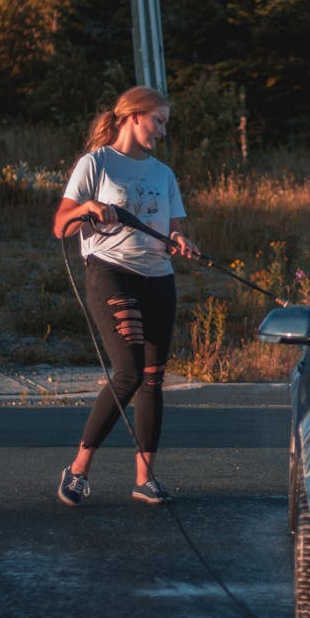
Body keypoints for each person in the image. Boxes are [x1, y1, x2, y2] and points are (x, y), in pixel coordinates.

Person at [52, 85, 200, 507]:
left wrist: (179, 241)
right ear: (134, 116)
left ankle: (145, 478)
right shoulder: (95, 163)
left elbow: (174, 228)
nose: (162, 131)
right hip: (111, 272)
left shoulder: (163, 174)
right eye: (159, 121)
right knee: (129, 371)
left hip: (159, 277)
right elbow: (60, 224)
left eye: (165, 123)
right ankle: (78, 470)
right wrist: (88, 208)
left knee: (153, 378)